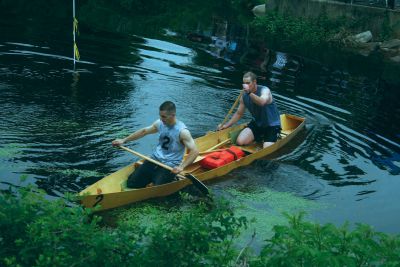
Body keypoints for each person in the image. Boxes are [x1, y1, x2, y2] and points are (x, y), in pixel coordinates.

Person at [112, 101, 199, 188]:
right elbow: (144, 131)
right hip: (155, 159)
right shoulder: (160, 123)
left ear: (173, 115)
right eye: (160, 116)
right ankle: (153, 177)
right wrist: (124, 140)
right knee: (131, 183)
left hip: (170, 165)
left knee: (156, 187)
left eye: (164, 116)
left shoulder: (182, 132)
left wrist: (181, 167)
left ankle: (173, 178)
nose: (161, 119)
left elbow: (195, 151)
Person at [218, 71, 281, 148]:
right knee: (240, 142)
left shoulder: (265, 90)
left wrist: (249, 93)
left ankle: (274, 136)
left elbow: (262, 102)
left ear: (254, 82)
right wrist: (226, 125)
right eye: (244, 83)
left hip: (271, 125)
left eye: (248, 83)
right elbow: (239, 113)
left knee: (266, 148)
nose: (245, 86)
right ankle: (260, 136)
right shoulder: (244, 96)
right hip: (257, 124)